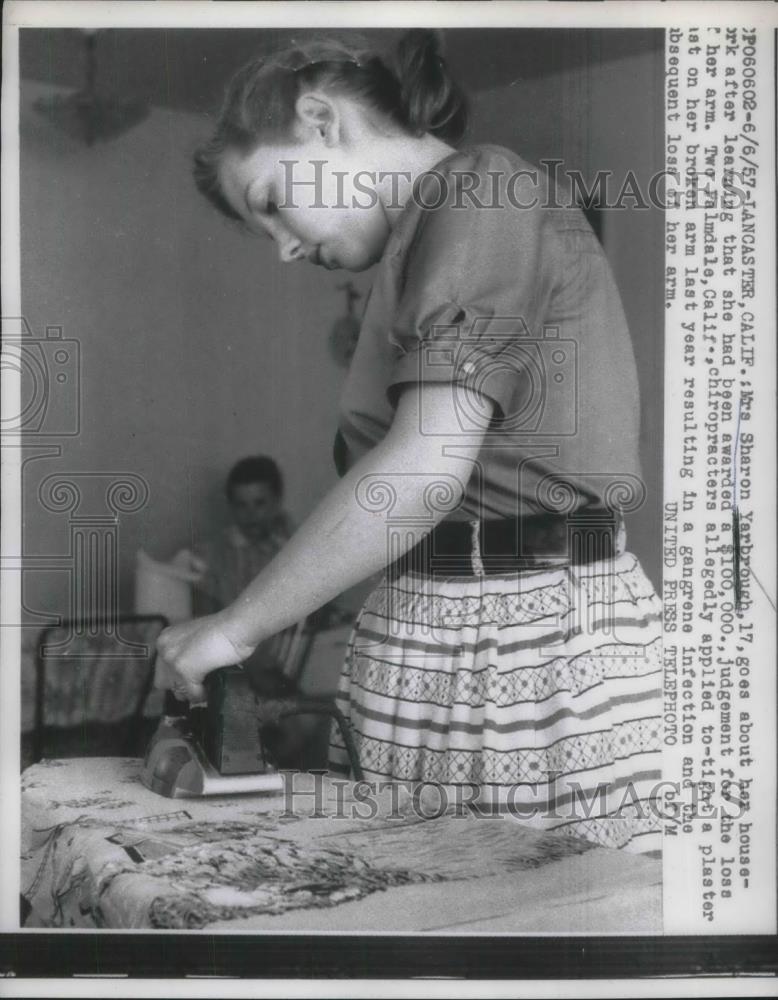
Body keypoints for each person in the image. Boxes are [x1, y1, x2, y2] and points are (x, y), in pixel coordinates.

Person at [158, 31, 662, 854]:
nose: (284, 248)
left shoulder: (483, 191)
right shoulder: (420, 244)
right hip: (438, 624)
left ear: (320, 120)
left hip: (526, 641)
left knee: (519, 934)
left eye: (272, 202)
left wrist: (237, 625)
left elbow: (425, 471)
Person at [193, 455, 293, 616]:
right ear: (230, 506)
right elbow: (203, 615)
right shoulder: (213, 555)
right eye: (241, 505)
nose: (250, 514)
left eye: (259, 503)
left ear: (277, 502)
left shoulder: (293, 547)